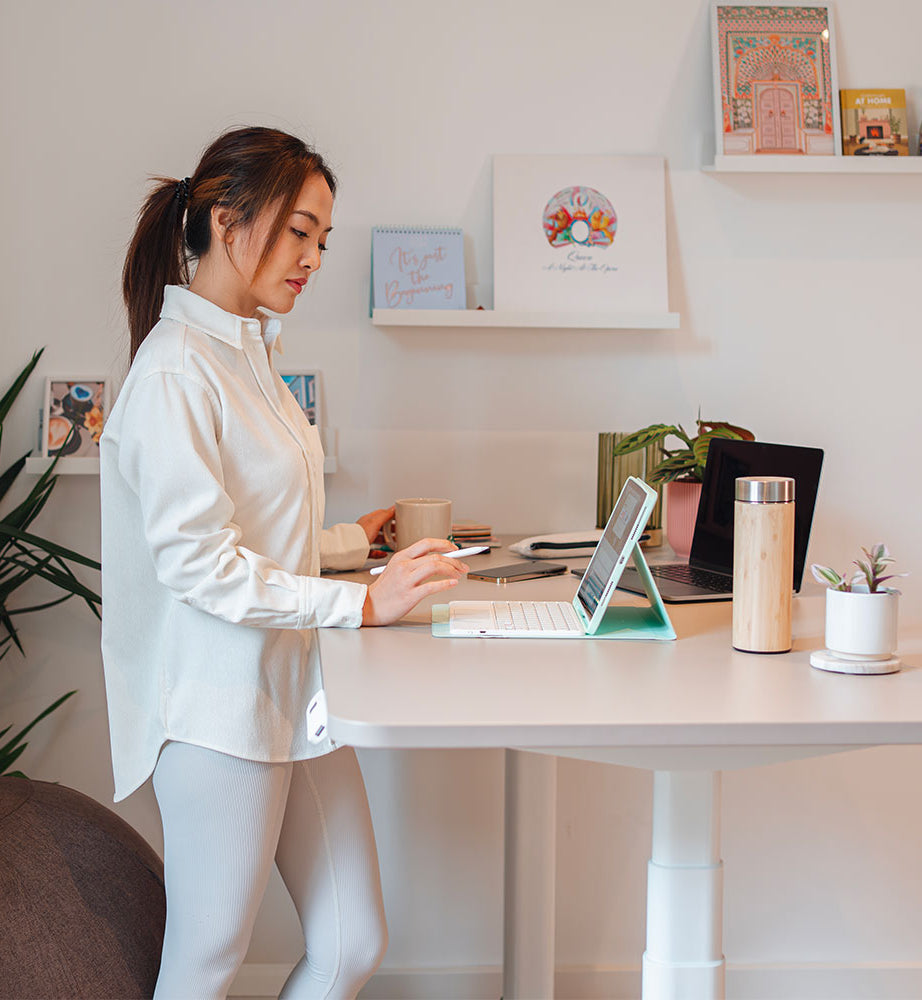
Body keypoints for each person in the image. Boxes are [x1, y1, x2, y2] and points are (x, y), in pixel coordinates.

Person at [100, 125, 468, 999]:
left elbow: (255, 529)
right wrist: (364, 604)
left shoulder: (251, 351)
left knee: (352, 943)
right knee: (209, 958)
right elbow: (200, 566)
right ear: (230, 223)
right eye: (299, 232)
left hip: (294, 690)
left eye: (321, 240)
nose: (312, 257)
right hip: (218, 710)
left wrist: (352, 543)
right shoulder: (173, 370)